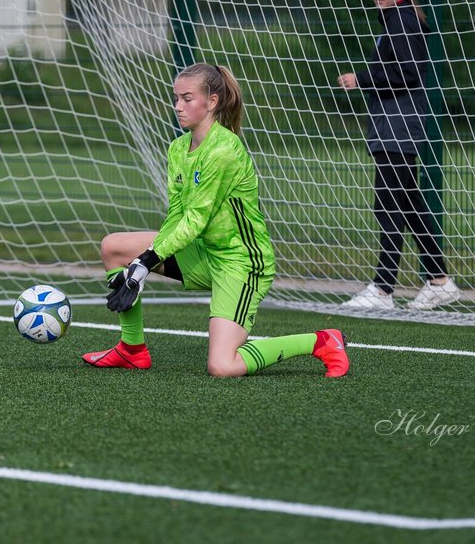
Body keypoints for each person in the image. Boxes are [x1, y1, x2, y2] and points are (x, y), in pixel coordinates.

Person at [82, 61, 349, 378]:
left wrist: (146, 261)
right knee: (114, 247)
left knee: (223, 366)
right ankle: (131, 350)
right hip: (202, 252)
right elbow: (177, 217)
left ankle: (321, 342)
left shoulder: (224, 150)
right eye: (176, 98)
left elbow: (196, 220)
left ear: (212, 102)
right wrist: (141, 261)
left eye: (187, 98)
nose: (178, 107)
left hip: (240, 263)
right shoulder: (178, 148)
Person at [337, 0, 461, 311]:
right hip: (391, 123)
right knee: (405, 202)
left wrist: (360, 78)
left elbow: (408, 73)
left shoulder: (404, 22)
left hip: (400, 124)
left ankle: (383, 289)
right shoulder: (394, 21)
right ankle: (438, 280)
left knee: (391, 203)